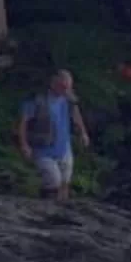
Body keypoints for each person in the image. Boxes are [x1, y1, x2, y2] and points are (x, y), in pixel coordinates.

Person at [15, 69, 89, 202]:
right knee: (54, 180)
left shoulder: (69, 100)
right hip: (43, 148)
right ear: (54, 83)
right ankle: (45, 203)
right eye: (63, 86)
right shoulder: (37, 100)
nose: (66, 90)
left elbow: (76, 116)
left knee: (65, 181)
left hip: (64, 148)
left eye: (68, 87)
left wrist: (83, 133)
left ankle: (62, 207)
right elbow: (23, 123)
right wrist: (24, 144)